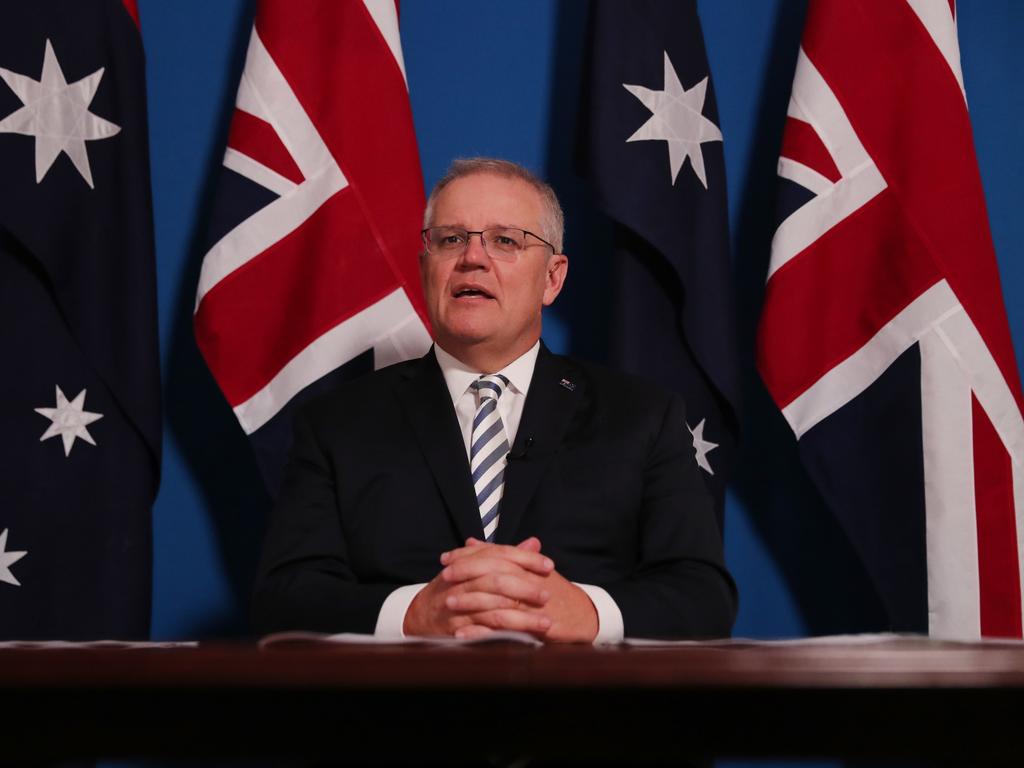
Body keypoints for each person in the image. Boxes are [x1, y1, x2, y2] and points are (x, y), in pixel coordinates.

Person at [253, 158, 736, 642]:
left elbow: (703, 595)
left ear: (552, 278)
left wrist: (587, 612)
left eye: (505, 240)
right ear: (425, 268)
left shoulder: (642, 417)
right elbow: (285, 594)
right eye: (451, 239)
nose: (473, 258)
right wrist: (413, 614)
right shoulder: (337, 423)